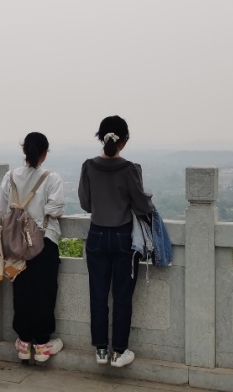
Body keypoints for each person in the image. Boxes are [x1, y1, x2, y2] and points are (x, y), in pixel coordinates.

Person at [78, 116, 155, 368]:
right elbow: (142, 205)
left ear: (101, 138)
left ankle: (101, 349)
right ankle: (119, 351)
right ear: (125, 140)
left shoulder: (88, 166)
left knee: (98, 295)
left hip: (96, 235)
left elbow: (86, 204)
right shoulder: (130, 168)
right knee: (122, 296)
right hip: (123, 237)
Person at [0, 132, 65, 363]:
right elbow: (55, 209)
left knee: (22, 290)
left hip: (16, 243)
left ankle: (24, 343)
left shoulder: (10, 177)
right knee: (45, 292)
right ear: (45, 153)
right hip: (44, 241)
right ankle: (42, 345)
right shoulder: (52, 178)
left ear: (24, 150)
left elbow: (1, 209)